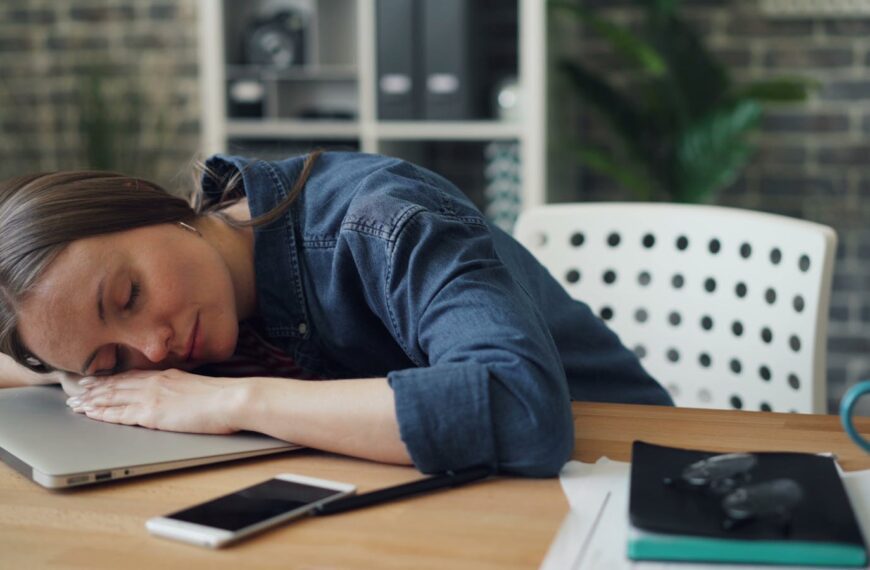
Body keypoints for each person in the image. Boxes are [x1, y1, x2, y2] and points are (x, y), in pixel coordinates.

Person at [0, 150, 672, 478]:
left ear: (139, 198)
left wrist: (231, 401)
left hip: (628, 483)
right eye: (112, 360)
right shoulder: (195, 299)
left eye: (128, 296)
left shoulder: (382, 220)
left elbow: (519, 409)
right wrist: (77, 377)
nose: (156, 348)